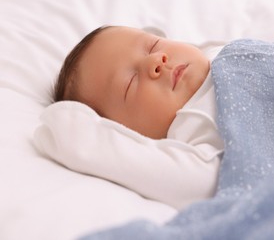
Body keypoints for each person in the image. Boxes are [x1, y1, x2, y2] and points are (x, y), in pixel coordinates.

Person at [47, 25, 225, 209]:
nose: (156, 60)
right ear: (129, 132)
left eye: (153, 46)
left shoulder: (217, 53)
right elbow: (199, 183)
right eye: (130, 83)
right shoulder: (192, 126)